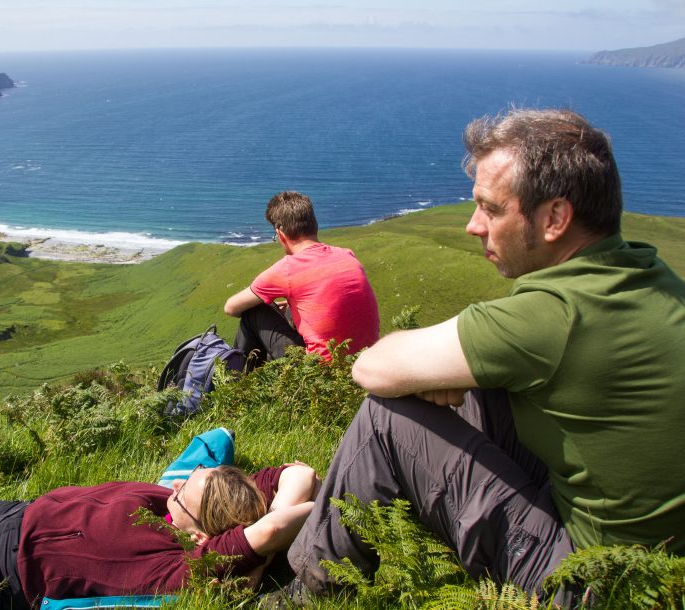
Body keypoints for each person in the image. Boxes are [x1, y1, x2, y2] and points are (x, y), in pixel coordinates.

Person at [286, 109, 685, 602]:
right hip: (660, 566)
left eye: (491, 209)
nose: (474, 226)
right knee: (483, 387)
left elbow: (371, 367)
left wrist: (423, 378)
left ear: (555, 218)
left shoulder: (552, 317)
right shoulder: (652, 276)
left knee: (388, 416)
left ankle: (315, 589)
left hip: (595, 584)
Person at [0, 452, 320, 610]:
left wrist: (261, 557)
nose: (179, 483)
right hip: (11, 516)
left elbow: (270, 529)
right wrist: (253, 493)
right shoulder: (167, 505)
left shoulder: (182, 565)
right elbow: (299, 473)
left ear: (207, 535)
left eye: (189, 490)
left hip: (0, 575)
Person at [224, 191, 379, 364]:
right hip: (365, 363)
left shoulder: (287, 269)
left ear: (280, 234)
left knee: (254, 311)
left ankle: (239, 381)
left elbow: (231, 308)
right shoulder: (347, 255)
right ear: (315, 225)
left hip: (319, 370)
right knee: (290, 308)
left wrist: (268, 304)